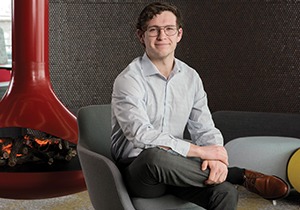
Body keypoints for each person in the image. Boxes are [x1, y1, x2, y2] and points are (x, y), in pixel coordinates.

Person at [111, 2, 289, 209]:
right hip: (139, 173)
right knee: (153, 156)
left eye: (169, 29)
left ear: (179, 34)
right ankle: (237, 175)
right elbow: (140, 135)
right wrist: (201, 152)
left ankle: (227, 177)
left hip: (180, 168)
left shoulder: (190, 77)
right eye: (153, 30)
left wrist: (216, 159)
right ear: (141, 36)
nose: (162, 36)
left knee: (224, 193)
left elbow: (204, 127)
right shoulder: (129, 79)